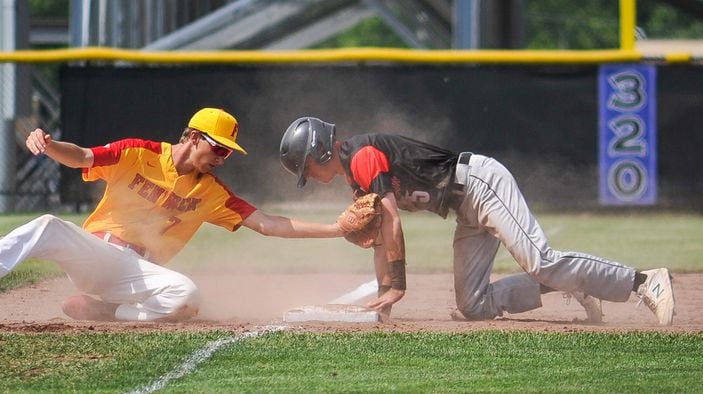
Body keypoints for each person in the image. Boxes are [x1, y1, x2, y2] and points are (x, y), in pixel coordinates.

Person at [0, 107, 344, 322]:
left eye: (227, 152)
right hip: (96, 252)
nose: (222, 157)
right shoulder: (139, 152)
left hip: (137, 275)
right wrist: (49, 143)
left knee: (187, 297)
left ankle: (108, 311)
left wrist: (338, 229)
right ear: (194, 137)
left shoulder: (211, 192)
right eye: (217, 148)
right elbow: (83, 157)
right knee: (49, 226)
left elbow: (269, 224)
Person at [278, 116, 676, 325]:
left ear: (321, 153)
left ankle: (642, 281)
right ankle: (572, 285)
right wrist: (385, 298)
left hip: (481, 184)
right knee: (474, 304)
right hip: (464, 209)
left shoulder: (361, 156)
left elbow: (393, 223)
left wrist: (398, 285)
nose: (308, 176)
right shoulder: (355, 178)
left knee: (543, 261)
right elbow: (382, 236)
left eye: (306, 168)